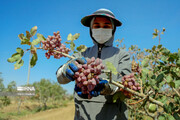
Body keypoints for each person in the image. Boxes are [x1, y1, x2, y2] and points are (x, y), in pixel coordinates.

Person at [56, 8, 131, 120]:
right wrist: (64, 70)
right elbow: (60, 78)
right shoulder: (82, 54)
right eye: (96, 26)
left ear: (113, 29)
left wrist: (108, 88)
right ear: (91, 29)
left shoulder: (121, 55)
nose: (101, 29)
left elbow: (127, 85)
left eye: (106, 26)